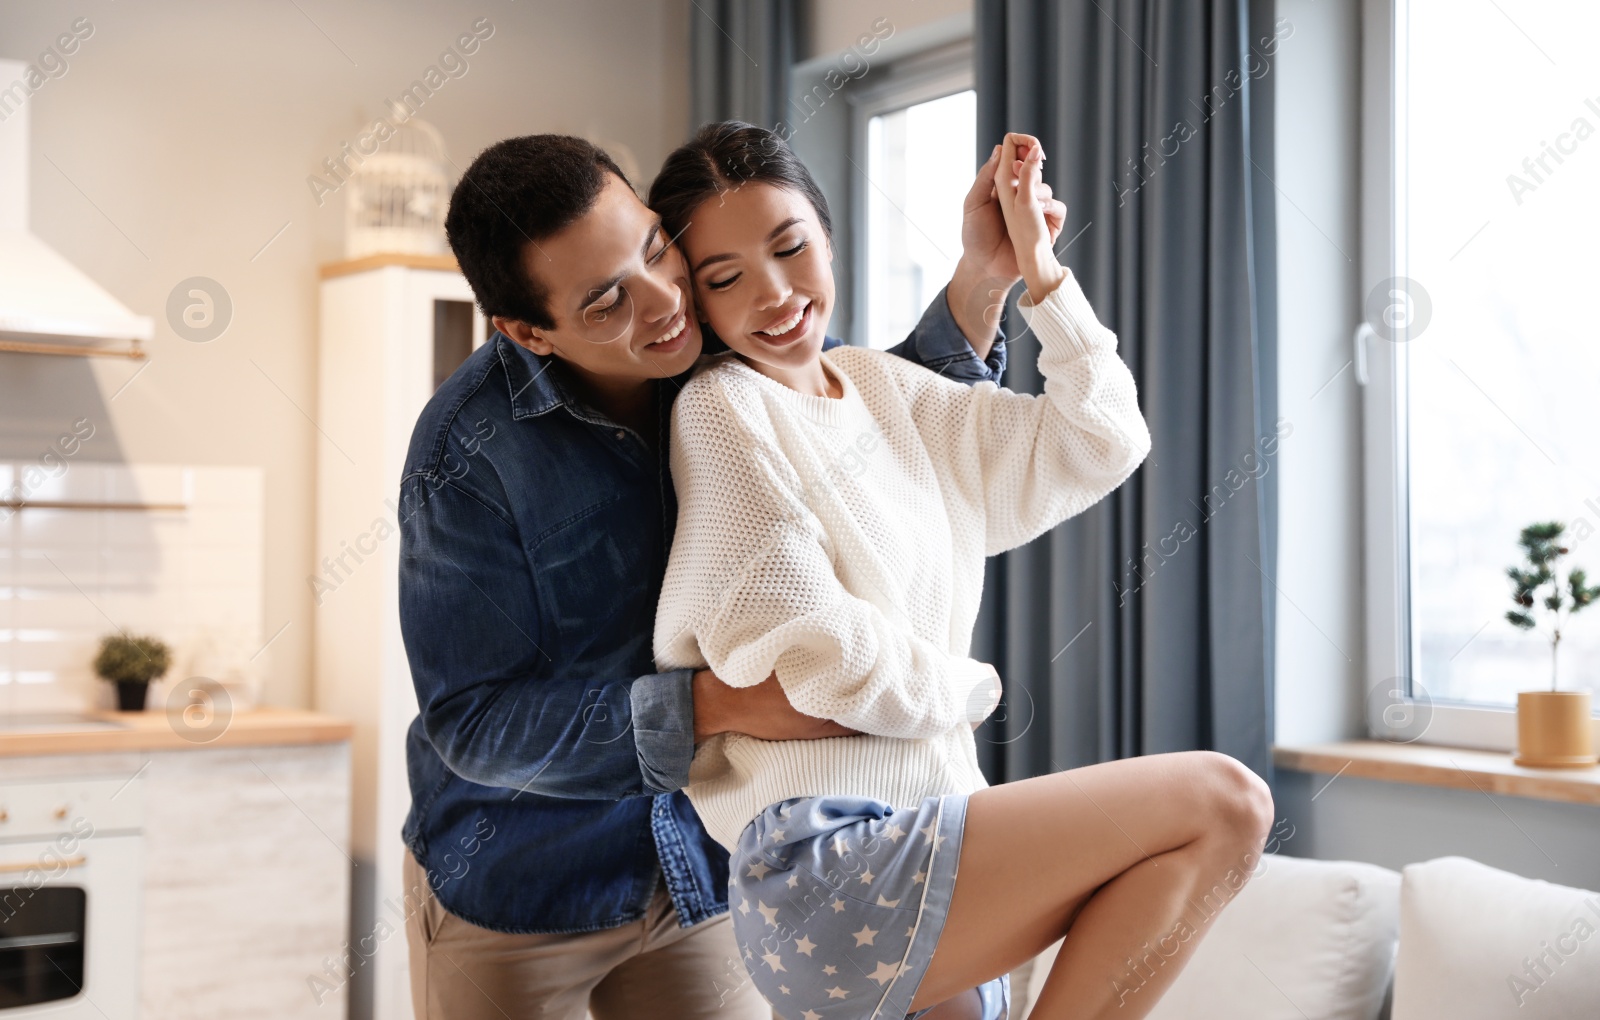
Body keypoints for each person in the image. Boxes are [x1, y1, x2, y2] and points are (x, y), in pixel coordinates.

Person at [396, 132, 1051, 1019]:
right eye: (605, 303)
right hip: (520, 884)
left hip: (707, 865)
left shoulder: (726, 339)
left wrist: (982, 278)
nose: (664, 301)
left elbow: (869, 425)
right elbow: (471, 722)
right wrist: (718, 704)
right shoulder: (463, 458)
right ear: (527, 332)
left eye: (655, 249)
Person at [648, 123, 1277, 1020]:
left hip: (928, 828)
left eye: (791, 248)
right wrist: (972, 690)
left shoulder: (880, 387)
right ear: (699, 303)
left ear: (826, 236)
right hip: (827, 862)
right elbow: (825, 656)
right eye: (726, 277)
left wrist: (1041, 273)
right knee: (1226, 803)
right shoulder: (721, 409)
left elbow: (1101, 440)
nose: (776, 293)